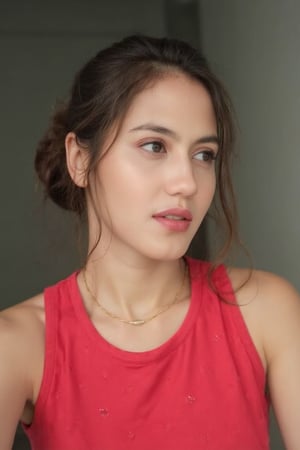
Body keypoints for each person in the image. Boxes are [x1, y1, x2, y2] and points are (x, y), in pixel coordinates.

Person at [0, 34, 299, 450]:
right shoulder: (17, 344)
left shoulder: (267, 311)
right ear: (80, 160)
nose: (187, 182)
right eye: (154, 146)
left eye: (204, 155)